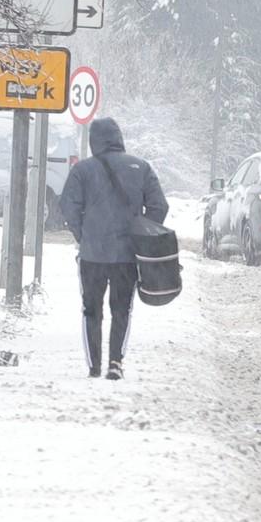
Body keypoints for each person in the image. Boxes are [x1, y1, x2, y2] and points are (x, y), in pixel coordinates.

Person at [54, 115, 168, 380]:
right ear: (119, 139)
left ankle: (94, 365)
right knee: (121, 309)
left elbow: (67, 206)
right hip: (127, 255)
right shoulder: (141, 168)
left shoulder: (82, 170)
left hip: (92, 254)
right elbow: (159, 206)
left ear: (94, 141)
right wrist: (143, 233)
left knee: (91, 309)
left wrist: (82, 233)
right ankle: (115, 362)